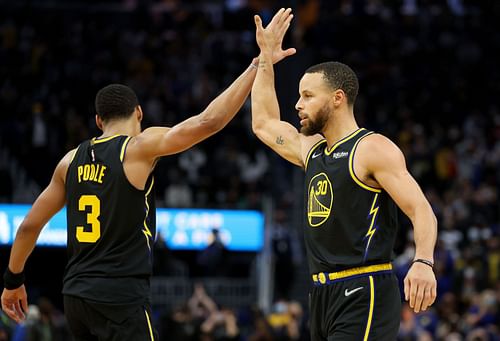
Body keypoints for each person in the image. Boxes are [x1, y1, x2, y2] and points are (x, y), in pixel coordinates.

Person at [1, 9, 296, 340]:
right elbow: (207, 122)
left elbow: (29, 226)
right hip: (119, 296)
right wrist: (258, 62)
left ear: (98, 121)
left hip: (75, 299)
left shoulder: (69, 161)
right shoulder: (138, 147)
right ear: (138, 112)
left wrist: (13, 281)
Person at [251, 8, 437, 340]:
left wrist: (423, 262)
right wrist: (265, 59)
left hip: (363, 287)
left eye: (307, 96)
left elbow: (420, 209)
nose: (297, 104)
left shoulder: (371, 148)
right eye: (298, 96)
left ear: (337, 98)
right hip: (321, 294)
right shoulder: (311, 151)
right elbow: (264, 123)